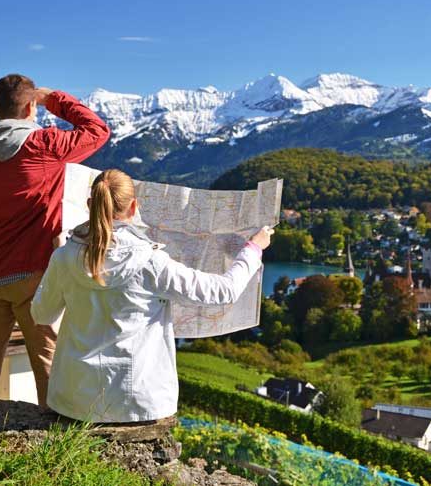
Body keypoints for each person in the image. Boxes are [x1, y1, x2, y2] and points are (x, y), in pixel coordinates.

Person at [30, 169, 272, 422]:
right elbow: (223, 291)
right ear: (134, 207)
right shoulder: (150, 262)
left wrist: (57, 267)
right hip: (136, 403)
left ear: (90, 205)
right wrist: (253, 249)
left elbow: (42, 314)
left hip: (75, 399)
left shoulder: (64, 257)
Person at [0, 73, 110, 405]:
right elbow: (97, 131)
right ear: (30, 107)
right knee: (50, 367)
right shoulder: (44, 145)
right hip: (36, 278)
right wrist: (55, 99)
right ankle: (54, 443)